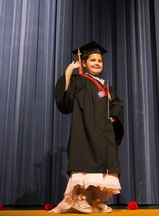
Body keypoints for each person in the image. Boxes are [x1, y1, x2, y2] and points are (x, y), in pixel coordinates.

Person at [50, 41, 124, 214]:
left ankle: (95, 199)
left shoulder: (106, 86)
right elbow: (65, 101)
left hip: (104, 133)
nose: (97, 63)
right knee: (86, 161)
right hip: (85, 129)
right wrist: (69, 72)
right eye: (93, 60)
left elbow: (117, 103)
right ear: (84, 63)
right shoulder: (80, 81)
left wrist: (113, 115)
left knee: (103, 169)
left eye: (100, 60)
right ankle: (80, 198)